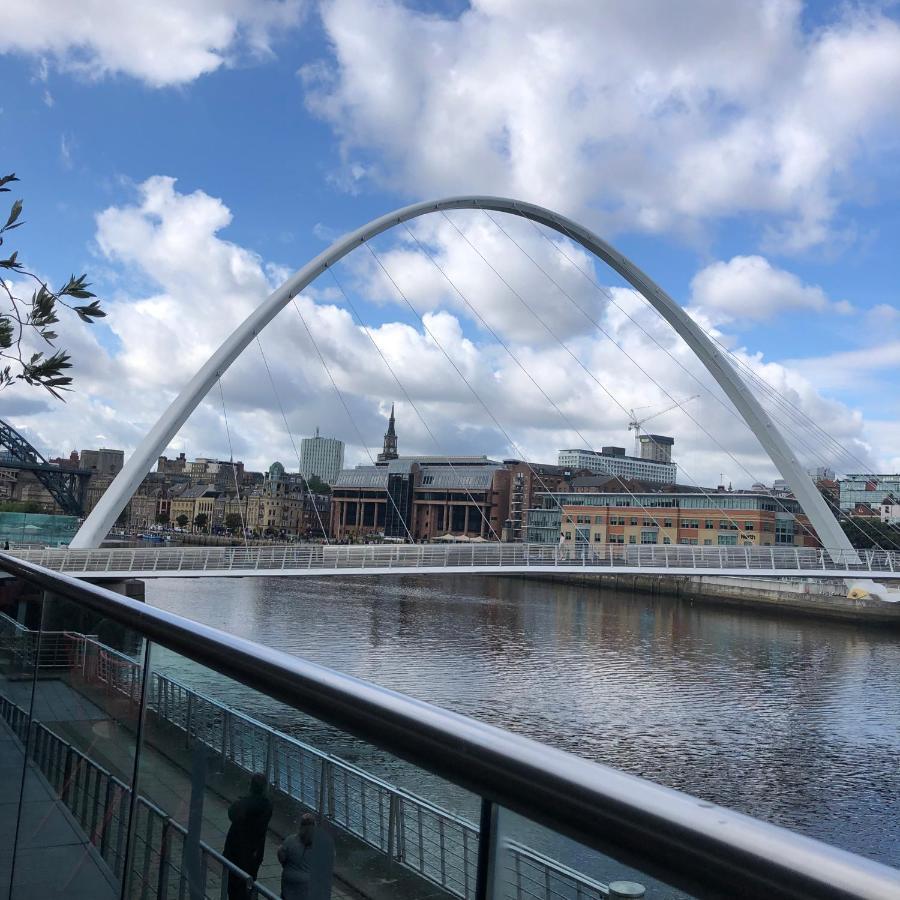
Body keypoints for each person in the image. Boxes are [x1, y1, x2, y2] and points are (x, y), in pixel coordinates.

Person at [223, 773, 274, 900]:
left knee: (234, 886)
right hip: (254, 853)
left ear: (251, 786)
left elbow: (232, 814)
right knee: (249, 883)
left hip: (236, 851)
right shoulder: (267, 807)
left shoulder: (243, 804)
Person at [277, 813, 316, 900]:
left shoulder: (290, 840)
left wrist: (287, 866)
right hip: (307, 884)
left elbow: (281, 855)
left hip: (289, 879)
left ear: (301, 825)